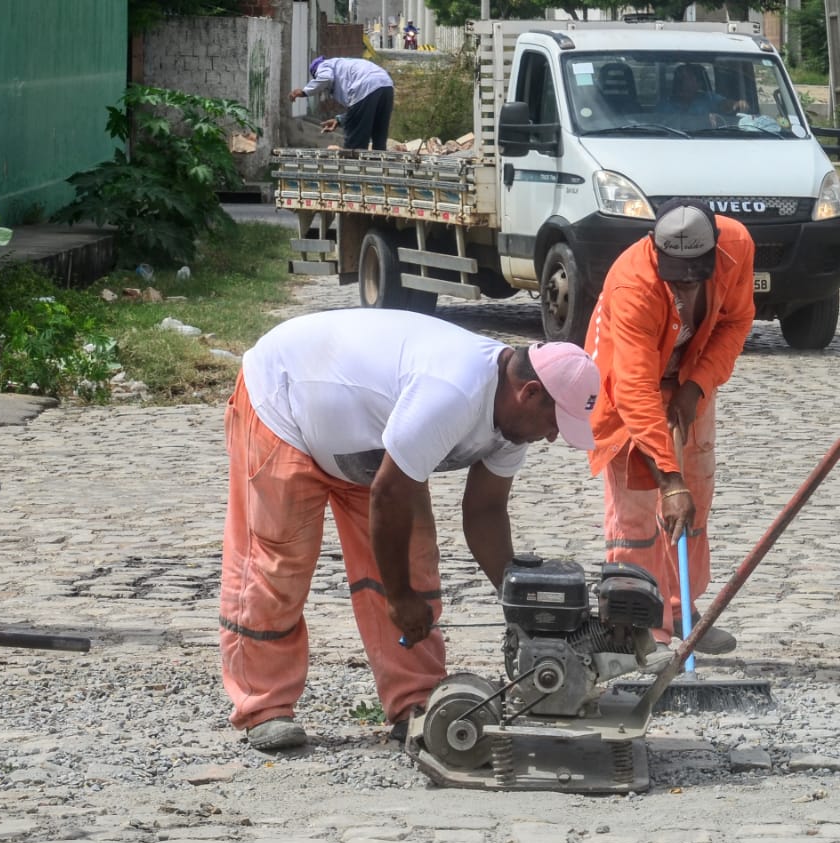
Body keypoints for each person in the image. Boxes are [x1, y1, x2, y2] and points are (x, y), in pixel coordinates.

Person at [219, 309, 601, 751]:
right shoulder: (453, 391)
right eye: (556, 422)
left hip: (367, 448)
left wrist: (521, 604)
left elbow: (485, 512)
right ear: (530, 393)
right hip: (286, 404)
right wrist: (397, 598)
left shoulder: (514, 425)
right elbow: (389, 496)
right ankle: (264, 707)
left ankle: (415, 702)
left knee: (413, 561)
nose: (553, 437)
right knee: (278, 564)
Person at [585, 198, 754, 665]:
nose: (680, 284)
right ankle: (639, 627)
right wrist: (668, 476)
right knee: (639, 508)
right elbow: (635, 387)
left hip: (688, 378)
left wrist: (696, 386)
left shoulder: (737, 245)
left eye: (690, 274)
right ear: (656, 252)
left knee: (693, 499)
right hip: (627, 389)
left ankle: (682, 613)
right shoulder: (632, 283)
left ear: (713, 255)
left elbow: (737, 321)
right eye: (672, 272)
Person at [289, 56, 394, 150]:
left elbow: (326, 78)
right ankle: (377, 167)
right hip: (387, 85)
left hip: (366, 85)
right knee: (379, 135)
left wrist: (305, 92)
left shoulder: (323, 65)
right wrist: (338, 120)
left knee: (355, 144)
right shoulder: (342, 67)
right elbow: (360, 112)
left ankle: (353, 168)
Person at [658, 63, 748, 126]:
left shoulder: (708, 99)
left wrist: (737, 105)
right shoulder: (665, 105)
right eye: (679, 78)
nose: (682, 82)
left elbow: (725, 105)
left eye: (687, 78)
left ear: (699, 84)